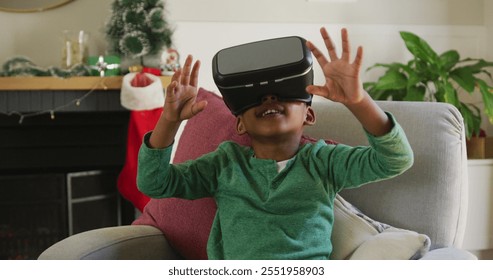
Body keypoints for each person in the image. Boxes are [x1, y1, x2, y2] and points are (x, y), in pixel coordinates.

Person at [137, 27, 414, 260]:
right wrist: (170, 120)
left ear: (309, 114)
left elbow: (395, 159)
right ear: (240, 124)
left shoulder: (324, 162)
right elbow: (155, 183)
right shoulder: (225, 164)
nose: (269, 98)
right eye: (255, 98)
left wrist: (358, 101)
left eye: (284, 94)